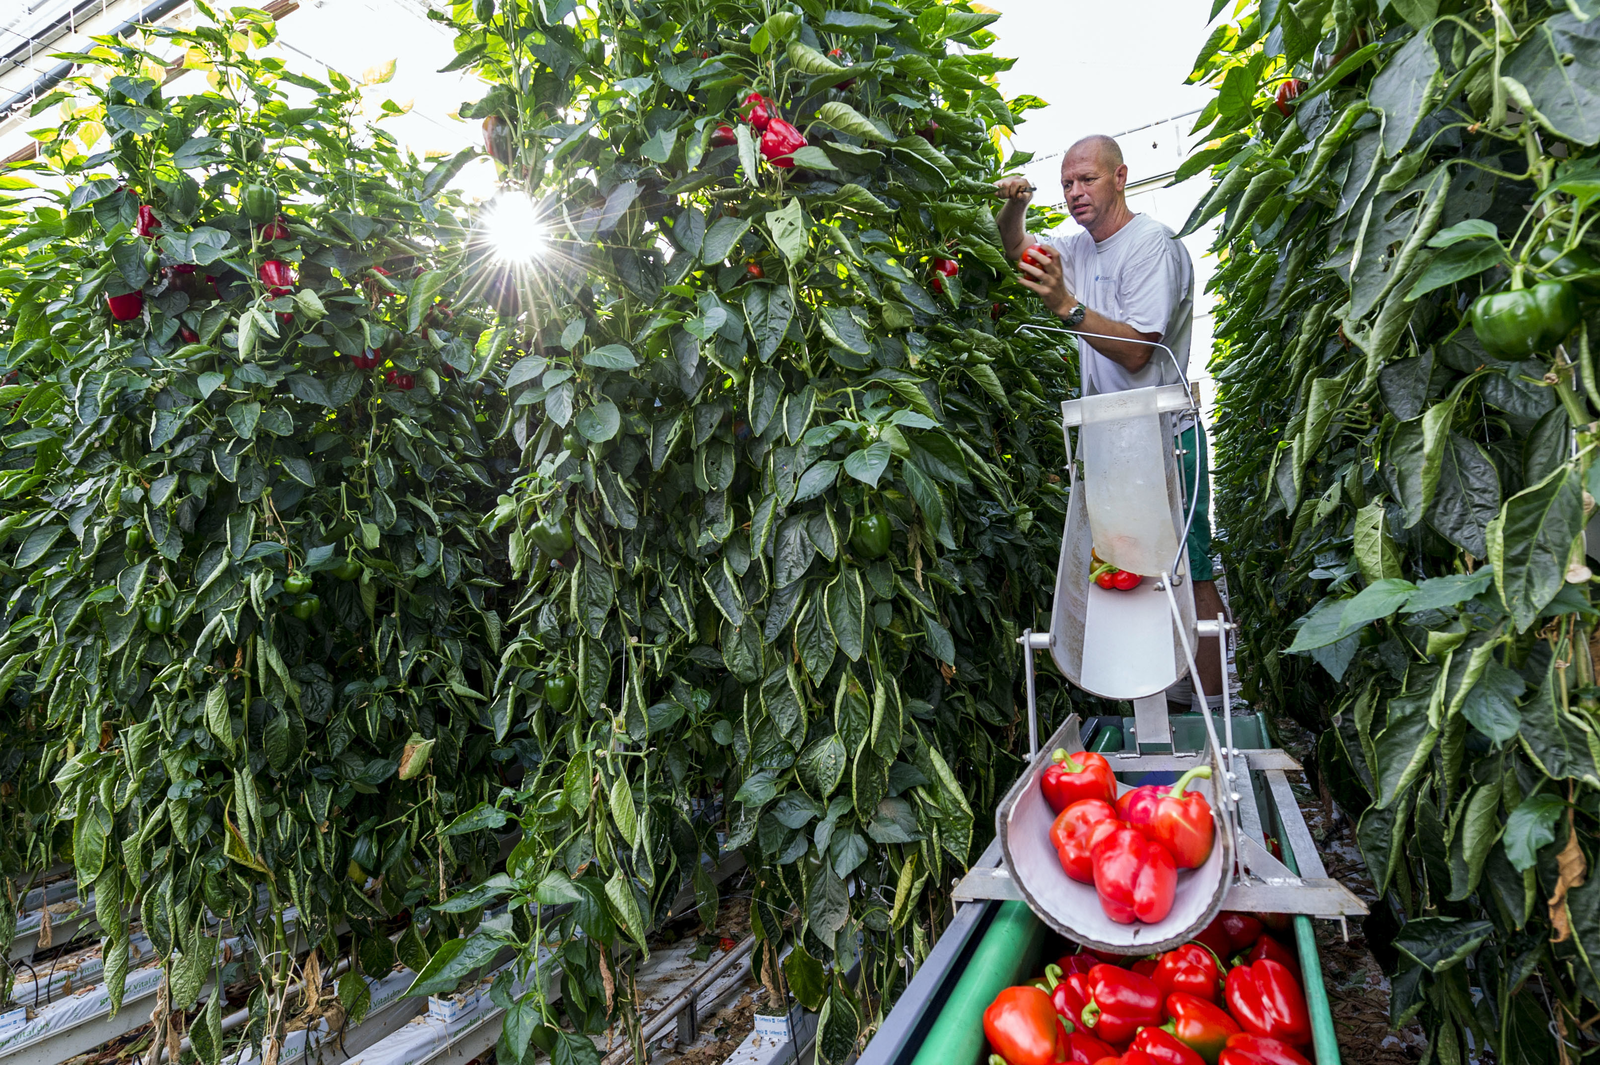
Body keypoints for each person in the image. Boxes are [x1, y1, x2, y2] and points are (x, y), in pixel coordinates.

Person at [995, 134, 1226, 706]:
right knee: (1123, 570)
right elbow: (1015, 249)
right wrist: (1015, 206)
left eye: (1087, 180)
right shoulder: (1078, 248)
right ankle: (1154, 698)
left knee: (1185, 571)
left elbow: (1138, 352)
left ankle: (1215, 707)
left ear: (1120, 177)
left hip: (1165, 436)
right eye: (1067, 183)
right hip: (1111, 440)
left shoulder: (1152, 246)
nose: (1075, 192)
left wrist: (1066, 308)